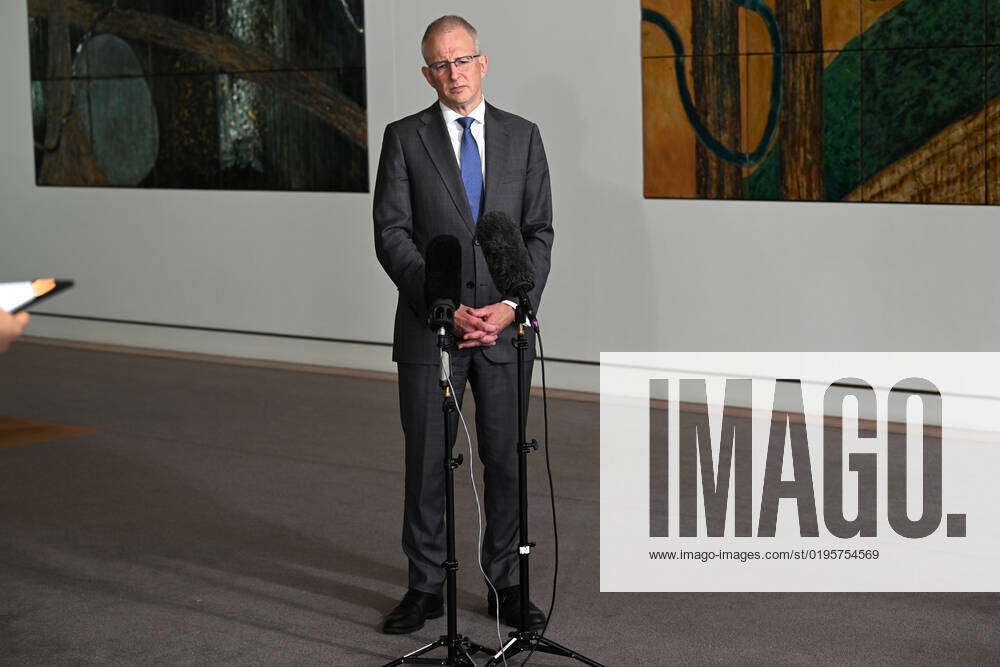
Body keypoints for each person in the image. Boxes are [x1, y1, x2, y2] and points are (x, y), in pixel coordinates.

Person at [373, 15, 553, 635]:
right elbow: (392, 234)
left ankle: (506, 583)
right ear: (428, 73)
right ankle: (424, 585)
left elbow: (538, 234)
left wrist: (511, 306)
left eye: (462, 60)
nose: (454, 73)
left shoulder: (523, 137)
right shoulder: (403, 138)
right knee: (425, 462)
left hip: (505, 332)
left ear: (482, 62)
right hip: (432, 331)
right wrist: (444, 303)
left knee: (506, 460)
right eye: (440, 64)